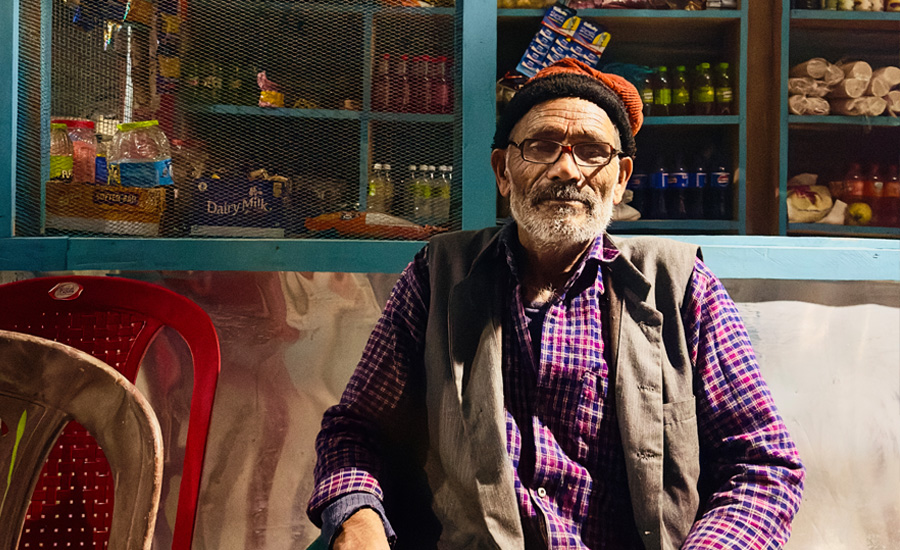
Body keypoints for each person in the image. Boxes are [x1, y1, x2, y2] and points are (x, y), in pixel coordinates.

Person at [307, 58, 804, 550]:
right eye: (542, 146)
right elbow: (355, 431)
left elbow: (762, 465)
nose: (567, 168)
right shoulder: (438, 276)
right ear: (504, 171)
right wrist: (359, 521)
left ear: (621, 178)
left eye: (591, 152)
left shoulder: (680, 286)